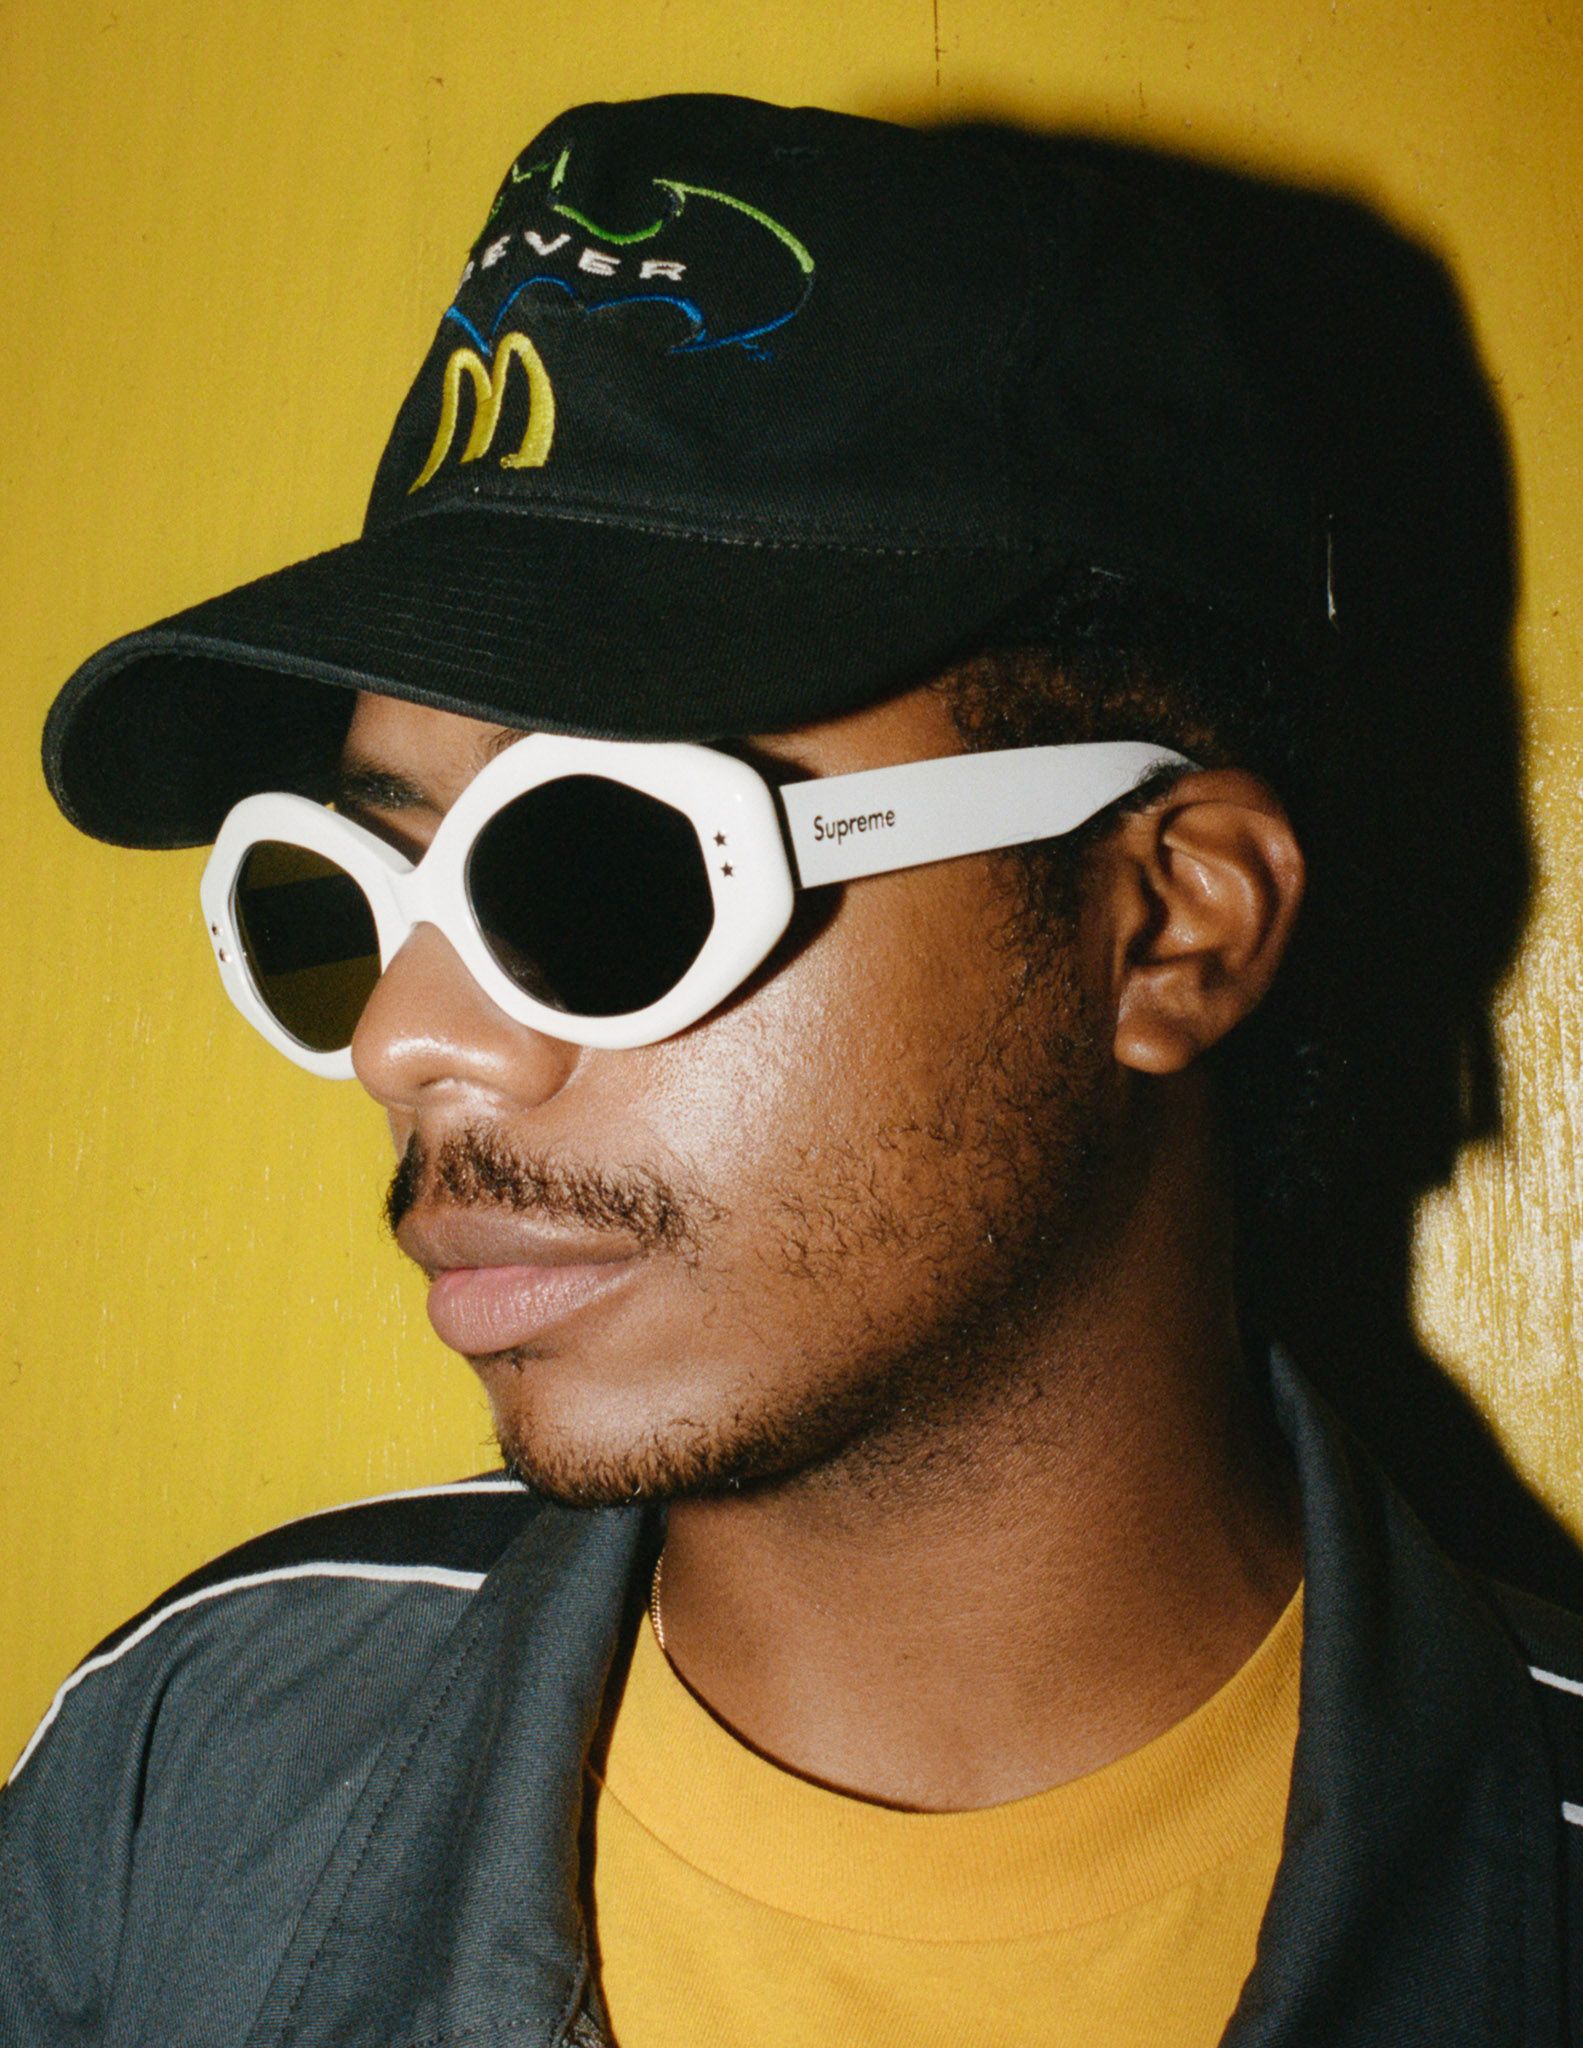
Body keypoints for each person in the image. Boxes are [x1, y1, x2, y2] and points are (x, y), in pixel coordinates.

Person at [7, 92, 1583, 2048]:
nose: (409, 1037)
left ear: (1172, 922)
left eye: (610, 865)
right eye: (352, 884)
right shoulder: (189, 1776)